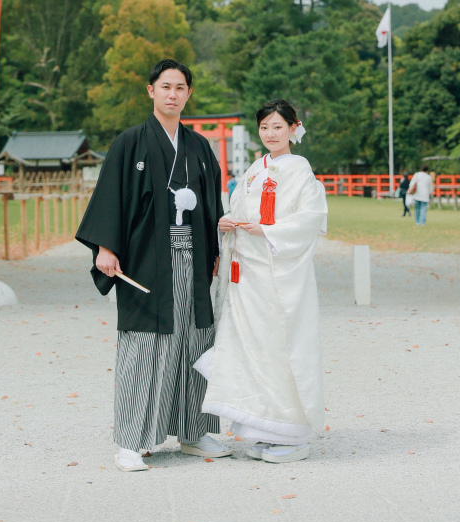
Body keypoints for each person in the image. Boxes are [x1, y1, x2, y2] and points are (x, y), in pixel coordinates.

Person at [76, 59, 227, 473]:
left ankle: (195, 432)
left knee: (195, 340)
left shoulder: (199, 147)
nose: (172, 94)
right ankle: (131, 441)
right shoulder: (131, 142)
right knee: (144, 346)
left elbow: (212, 202)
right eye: (165, 87)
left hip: (193, 257)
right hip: (146, 259)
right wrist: (105, 247)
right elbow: (111, 195)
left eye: (180, 88)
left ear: (188, 94)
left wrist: (216, 249)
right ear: (151, 91)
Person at [200, 99, 328, 464]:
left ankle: (291, 434)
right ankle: (262, 429)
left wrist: (270, 231)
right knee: (249, 347)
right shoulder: (256, 169)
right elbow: (241, 208)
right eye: (264, 127)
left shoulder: (300, 170)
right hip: (247, 274)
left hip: (278, 272)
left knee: (279, 346)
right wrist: (228, 221)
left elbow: (311, 218)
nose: (270, 134)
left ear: (293, 128)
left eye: (278, 127)